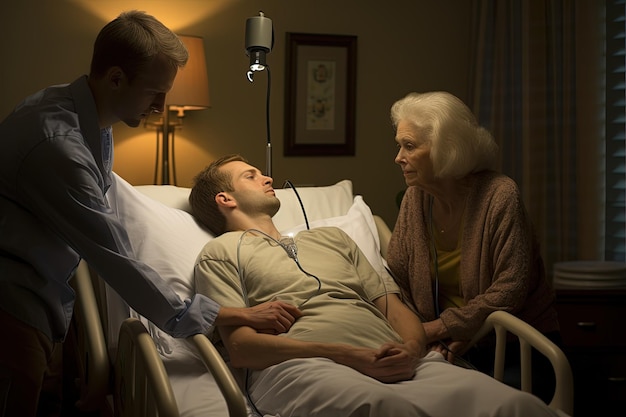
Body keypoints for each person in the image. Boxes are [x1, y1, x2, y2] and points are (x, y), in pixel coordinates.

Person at [0, 11, 300, 417]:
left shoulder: (88, 119)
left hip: (40, 302)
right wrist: (224, 314)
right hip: (12, 310)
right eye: (154, 93)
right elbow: (117, 259)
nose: (161, 107)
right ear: (116, 78)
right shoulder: (59, 146)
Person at [189, 154, 564, 417]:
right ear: (226, 198)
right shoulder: (220, 253)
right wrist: (351, 357)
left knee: (517, 406)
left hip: (395, 357)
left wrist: (414, 350)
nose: (268, 178)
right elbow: (240, 349)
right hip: (302, 366)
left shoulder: (332, 239)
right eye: (251, 175)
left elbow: (393, 309)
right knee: (386, 410)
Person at [386, 91, 561, 403]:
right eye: (400, 146)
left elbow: (510, 288)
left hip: (511, 346)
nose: (398, 157)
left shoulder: (499, 195)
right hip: (443, 344)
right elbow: (399, 277)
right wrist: (432, 336)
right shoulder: (415, 199)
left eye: (409, 146)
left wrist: (441, 330)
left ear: (445, 149)